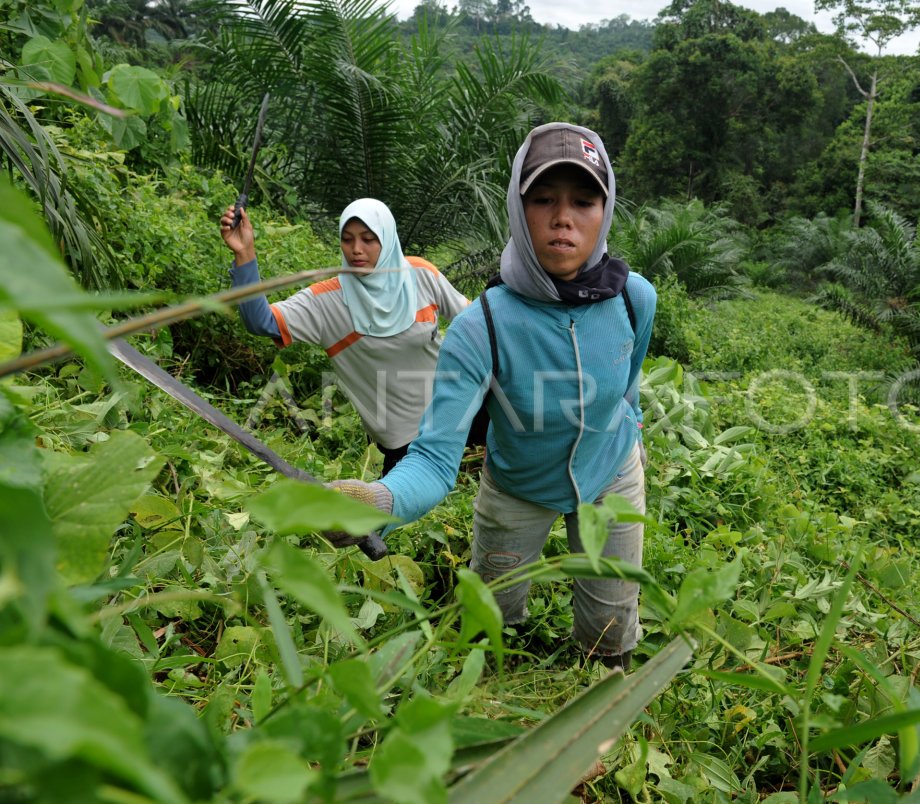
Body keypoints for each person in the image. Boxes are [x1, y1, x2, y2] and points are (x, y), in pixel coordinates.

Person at [329, 123, 656, 670]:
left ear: (606, 209)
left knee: (610, 620)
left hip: (610, 475)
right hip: (516, 487)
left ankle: (607, 694)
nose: (562, 218)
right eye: (543, 199)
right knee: (492, 614)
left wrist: (633, 438)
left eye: (583, 200)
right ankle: (493, 686)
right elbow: (434, 458)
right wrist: (374, 502)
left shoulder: (634, 299)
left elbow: (628, 388)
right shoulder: (483, 325)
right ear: (517, 207)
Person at [220, 198, 469, 474]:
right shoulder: (326, 303)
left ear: (387, 238)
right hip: (407, 442)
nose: (356, 250)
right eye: (347, 239)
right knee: (400, 509)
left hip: (461, 406)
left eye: (368, 239)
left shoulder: (420, 275)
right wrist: (245, 253)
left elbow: (473, 324)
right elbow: (260, 322)